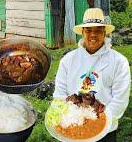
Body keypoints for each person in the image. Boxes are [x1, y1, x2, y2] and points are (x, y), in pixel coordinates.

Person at [53, 8, 131, 141]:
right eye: (88, 30)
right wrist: (70, 117)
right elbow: (60, 94)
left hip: (105, 130)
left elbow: (120, 101)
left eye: (98, 30)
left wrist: (97, 123)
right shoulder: (68, 60)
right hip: (72, 126)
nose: (93, 34)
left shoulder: (119, 62)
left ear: (105, 33)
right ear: (82, 32)